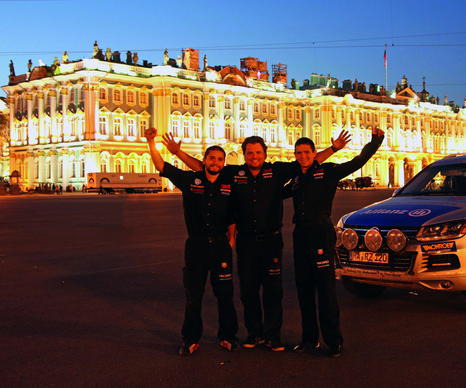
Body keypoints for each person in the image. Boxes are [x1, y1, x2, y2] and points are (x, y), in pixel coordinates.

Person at [163, 130, 350, 351]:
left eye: (258, 152)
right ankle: (254, 334)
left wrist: (334, 149)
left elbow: (307, 160)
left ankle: (273, 336)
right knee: (248, 290)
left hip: (271, 240)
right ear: (244, 155)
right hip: (246, 242)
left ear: (265, 154)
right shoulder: (235, 173)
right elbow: (202, 168)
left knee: (273, 291)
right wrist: (179, 153)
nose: (254, 156)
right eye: (250, 153)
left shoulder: (277, 170)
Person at [290, 126, 384, 357]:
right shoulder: (295, 178)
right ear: (295, 156)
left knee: (326, 290)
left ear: (314, 153)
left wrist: (375, 140)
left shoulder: (328, 171)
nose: (303, 156)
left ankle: (333, 341)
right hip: (300, 234)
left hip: (320, 232)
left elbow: (357, 162)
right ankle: (309, 339)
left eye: (307, 152)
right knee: (303, 290)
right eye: (299, 153)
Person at [146, 128, 241, 354]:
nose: (215, 162)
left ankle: (228, 336)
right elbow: (161, 167)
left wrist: (231, 242)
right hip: (196, 246)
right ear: (204, 160)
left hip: (220, 246)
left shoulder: (229, 183)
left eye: (219, 159)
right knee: (194, 294)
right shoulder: (191, 180)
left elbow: (232, 216)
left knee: (225, 294)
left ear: (223, 163)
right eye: (211, 158)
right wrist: (151, 142)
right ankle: (190, 338)